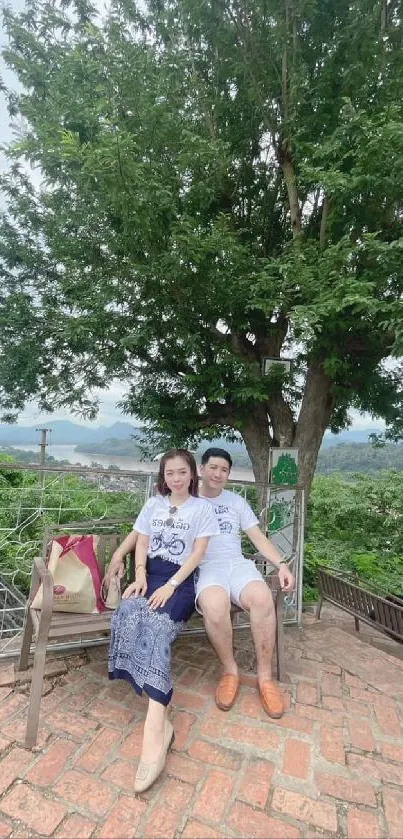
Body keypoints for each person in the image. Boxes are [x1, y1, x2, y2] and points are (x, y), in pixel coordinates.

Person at [105, 449, 219, 792]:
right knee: (127, 614)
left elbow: (198, 554)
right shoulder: (154, 504)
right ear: (163, 476)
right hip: (149, 577)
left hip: (180, 582)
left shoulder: (203, 509)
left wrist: (171, 586)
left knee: (155, 628)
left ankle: (156, 725)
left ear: (192, 474)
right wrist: (139, 576)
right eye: (170, 473)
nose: (176, 478)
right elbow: (142, 540)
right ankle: (159, 713)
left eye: (182, 472)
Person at [197, 447, 295, 718]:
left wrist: (282, 565)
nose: (218, 473)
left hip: (237, 565)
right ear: (202, 469)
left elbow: (258, 538)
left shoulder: (235, 502)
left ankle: (265, 679)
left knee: (262, 599)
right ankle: (230, 671)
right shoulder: (189, 501)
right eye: (213, 467)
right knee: (215, 606)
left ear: (228, 474)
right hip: (207, 569)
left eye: (224, 469)